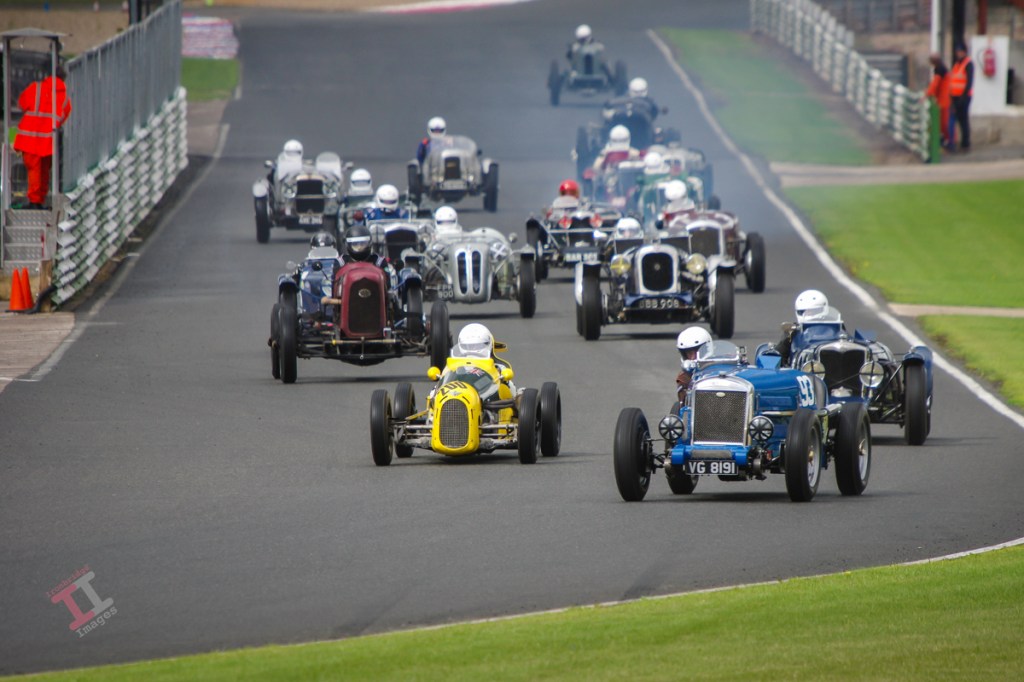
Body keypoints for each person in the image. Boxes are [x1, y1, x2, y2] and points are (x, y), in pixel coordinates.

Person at [14, 64, 72, 209]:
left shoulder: (36, 88)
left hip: (29, 138)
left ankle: (35, 202)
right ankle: (39, 200)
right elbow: (63, 117)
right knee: (44, 171)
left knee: (34, 170)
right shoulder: (64, 98)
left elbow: (22, 103)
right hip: (48, 141)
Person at [775, 289, 842, 366]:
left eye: (813, 311)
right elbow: (777, 356)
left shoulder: (837, 328)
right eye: (803, 312)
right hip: (802, 369)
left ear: (824, 309)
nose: (808, 314)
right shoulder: (792, 332)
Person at [675, 326, 713, 401]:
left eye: (697, 352)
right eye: (689, 353)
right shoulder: (684, 377)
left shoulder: (723, 362)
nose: (693, 357)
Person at [948, 43, 973, 152]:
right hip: (955, 97)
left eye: (960, 51)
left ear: (964, 52)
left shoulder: (968, 64)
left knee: (963, 121)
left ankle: (965, 144)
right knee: (955, 119)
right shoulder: (957, 64)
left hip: (963, 97)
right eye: (957, 52)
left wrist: (963, 97)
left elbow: (969, 82)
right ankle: (954, 143)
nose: (958, 53)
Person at [924, 52, 951, 149]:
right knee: (943, 123)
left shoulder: (939, 70)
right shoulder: (942, 69)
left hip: (943, 100)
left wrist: (926, 95)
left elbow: (935, 84)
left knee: (943, 123)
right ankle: (946, 141)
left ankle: (947, 141)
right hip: (944, 99)